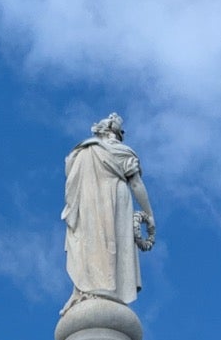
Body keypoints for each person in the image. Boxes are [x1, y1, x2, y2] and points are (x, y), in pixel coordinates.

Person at [61, 113, 155, 307]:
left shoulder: (82, 153)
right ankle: (108, 288)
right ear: (117, 134)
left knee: (91, 241)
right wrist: (150, 215)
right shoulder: (122, 151)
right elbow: (136, 184)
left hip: (87, 204)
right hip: (114, 199)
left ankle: (88, 287)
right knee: (113, 242)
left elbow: (70, 191)